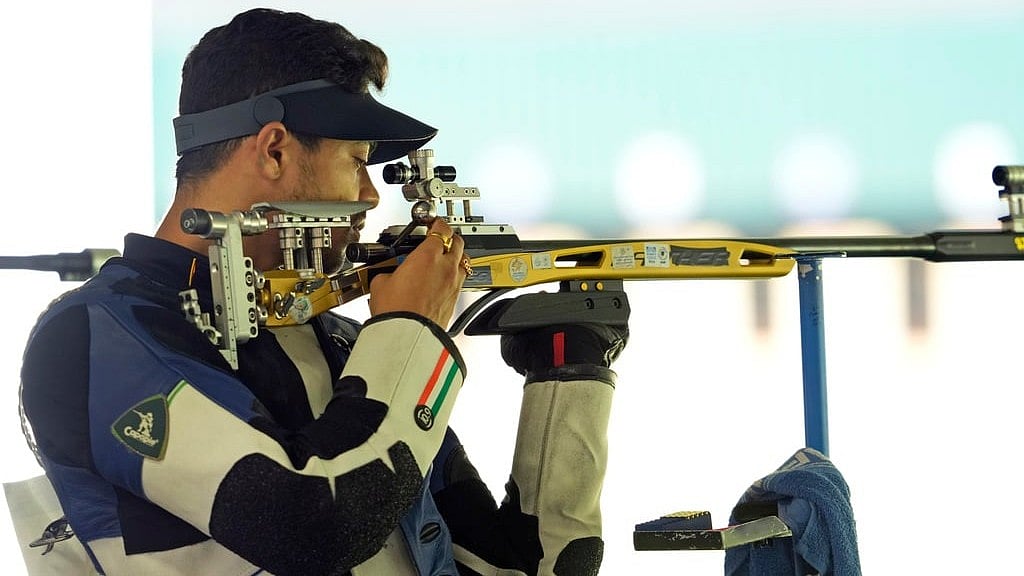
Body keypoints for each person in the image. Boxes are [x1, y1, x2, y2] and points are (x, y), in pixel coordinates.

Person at [20, 8, 628, 576]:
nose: (369, 195)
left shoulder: (345, 344)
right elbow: (310, 526)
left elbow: (518, 567)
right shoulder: (94, 335)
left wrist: (569, 372)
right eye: (356, 160)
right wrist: (412, 332)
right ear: (275, 150)